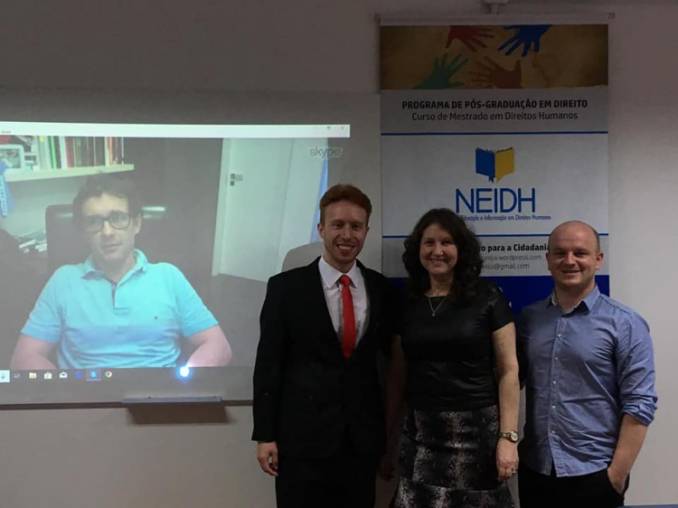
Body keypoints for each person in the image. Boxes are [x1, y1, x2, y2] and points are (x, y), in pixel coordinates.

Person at [252, 184, 396, 508]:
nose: (347, 235)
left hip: (360, 443)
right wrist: (265, 434)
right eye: (337, 225)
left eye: (356, 226)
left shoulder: (381, 289)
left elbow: (390, 362)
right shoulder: (285, 289)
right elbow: (268, 365)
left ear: (366, 231)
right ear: (321, 228)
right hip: (300, 443)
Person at [10, 175, 232, 370]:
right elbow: (24, 358)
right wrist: (68, 393)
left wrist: (184, 386)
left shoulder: (168, 277)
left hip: (158, 396)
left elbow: (218, 345)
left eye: (117, 218)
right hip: (87, 396)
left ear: (136, 224)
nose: (107, 232)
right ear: (84, 232)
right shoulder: (63, 281)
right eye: (94, 222)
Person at [384, 208, 519, 507]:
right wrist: (387, 441)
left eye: (447, 242)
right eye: (429, 243)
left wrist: (508, 438)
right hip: (421, 434)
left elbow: (509, 370)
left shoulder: (487, 296)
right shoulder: (406, 302)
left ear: (461, 249)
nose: (437, 251)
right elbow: (397, 375)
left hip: (477, 435)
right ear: (418, 249)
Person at [517, 220, 657, 508]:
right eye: (560, 253)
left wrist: (616, 476)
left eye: (580, 253)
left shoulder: (626, 324)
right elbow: (509, 380)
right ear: (548, 260)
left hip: (595, 473)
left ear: (598, 259)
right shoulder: (529, 319)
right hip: (536, 470)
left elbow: (640, 403)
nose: (569, 261)